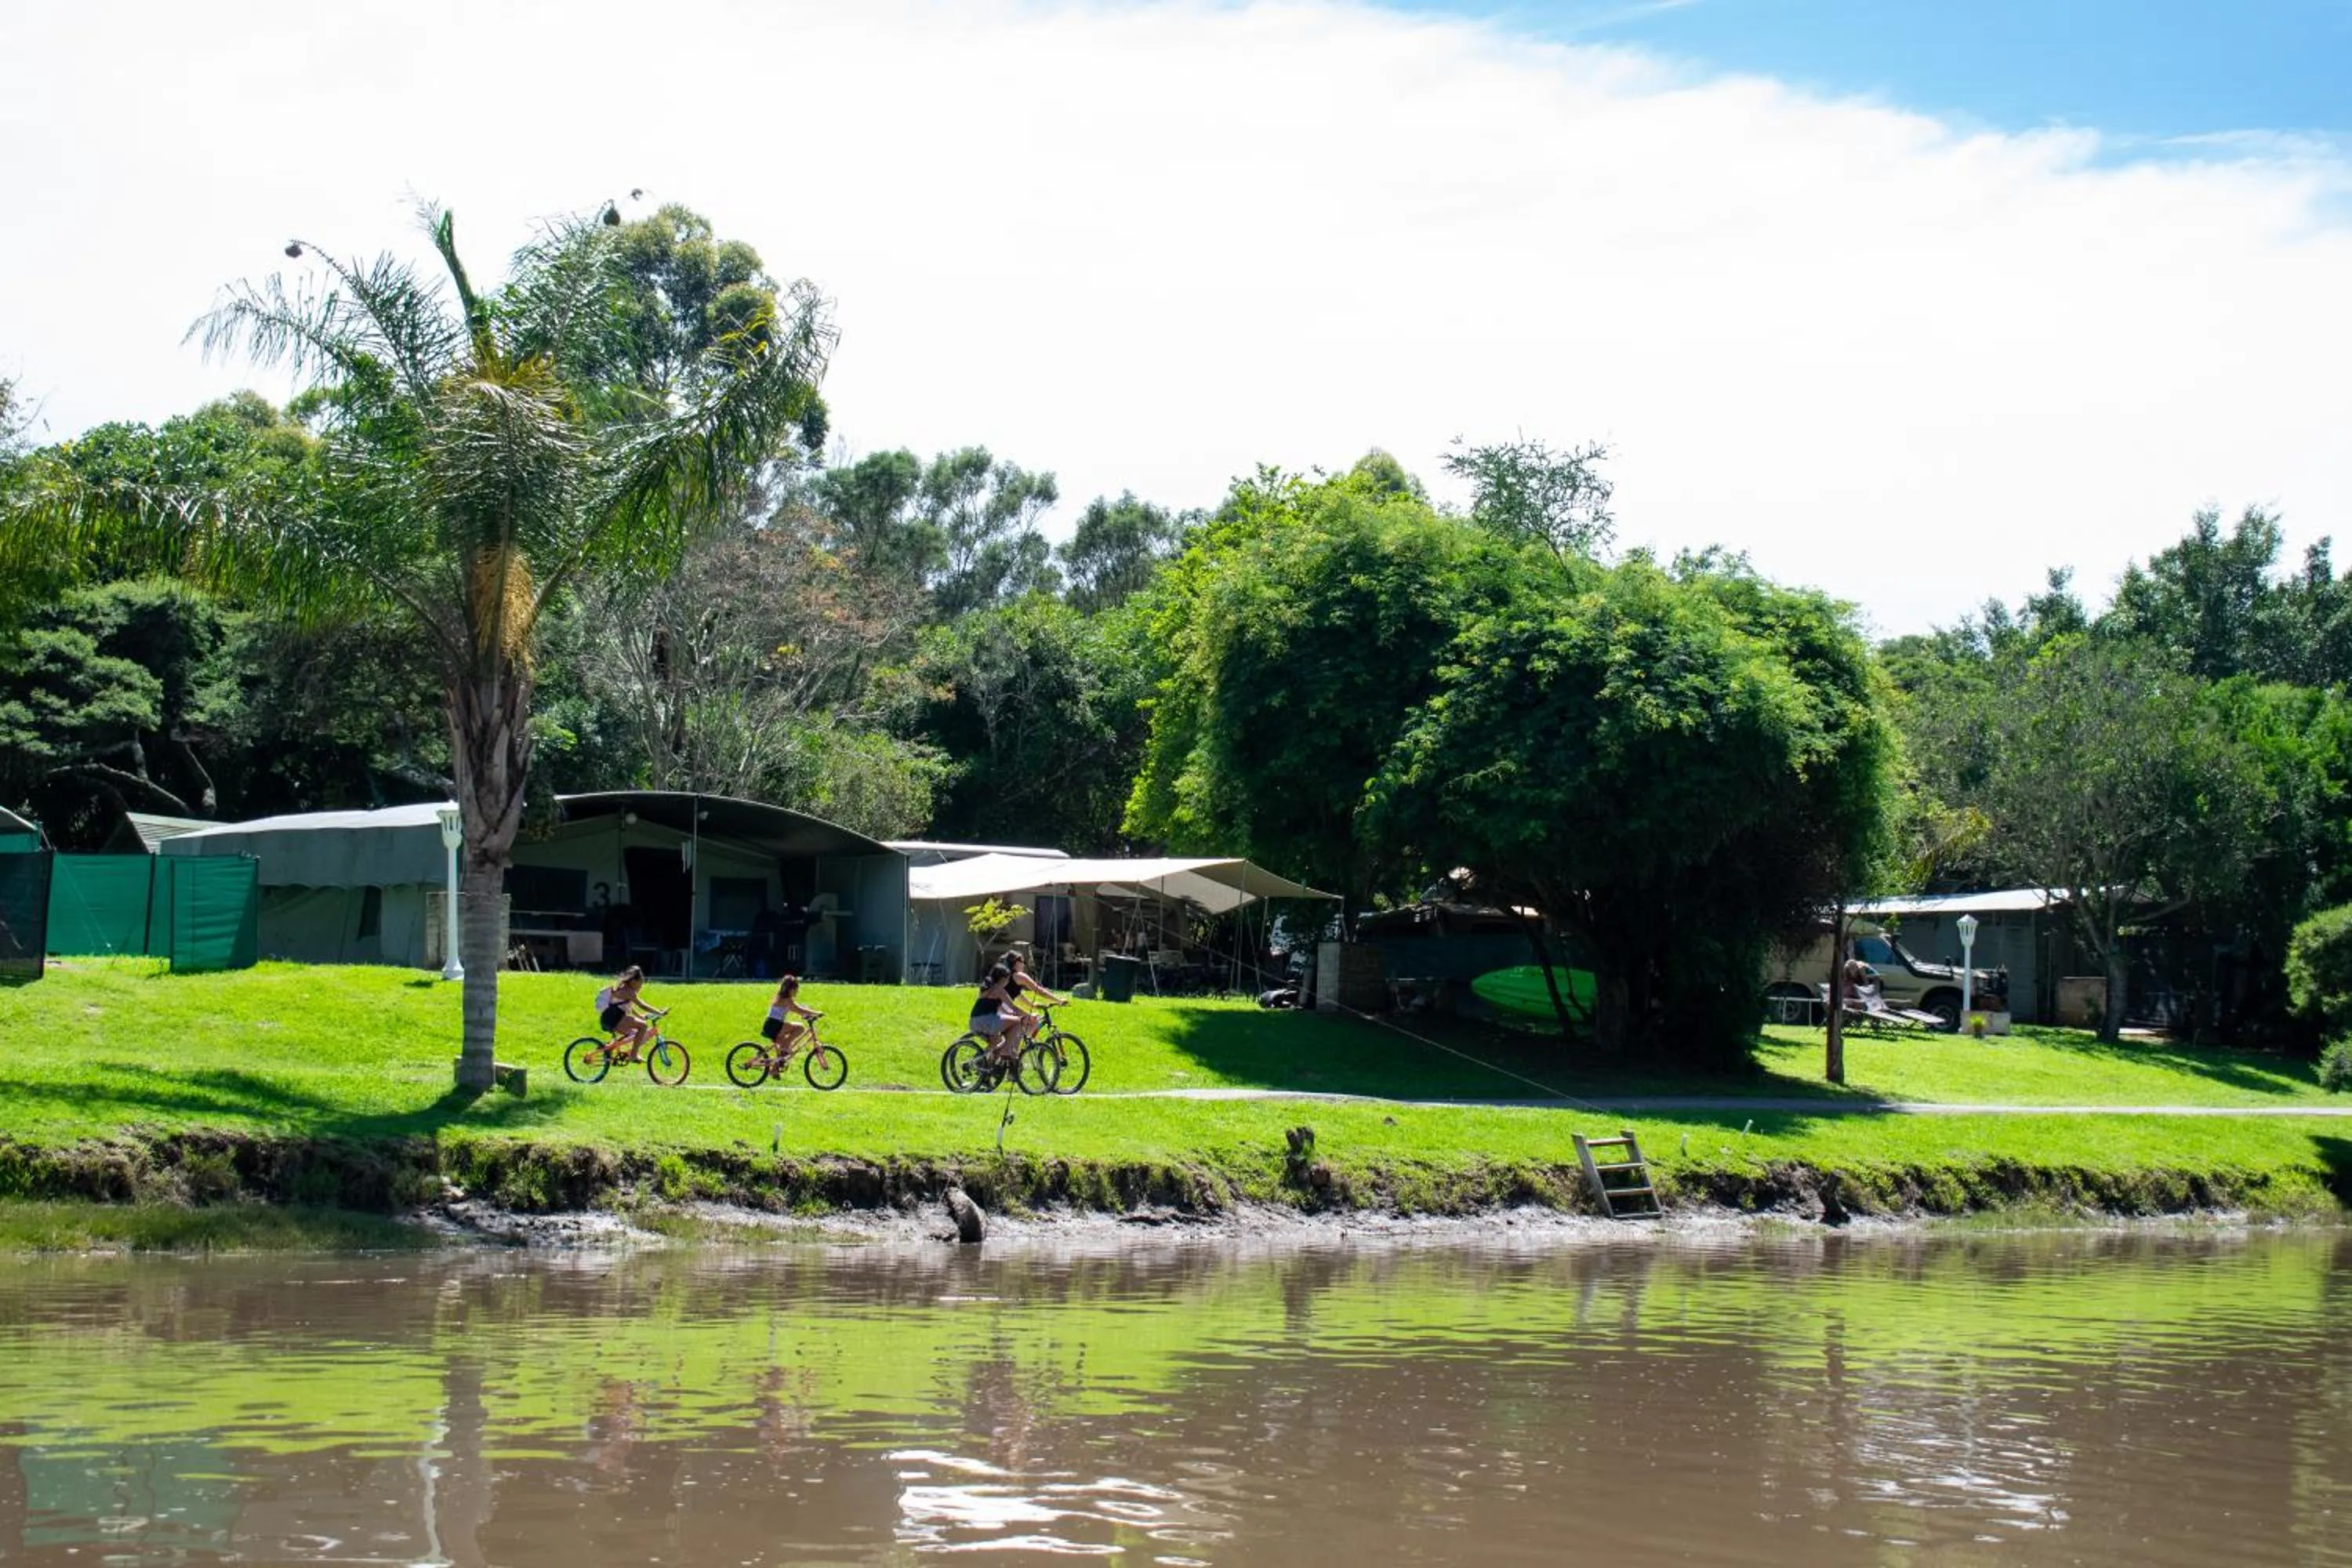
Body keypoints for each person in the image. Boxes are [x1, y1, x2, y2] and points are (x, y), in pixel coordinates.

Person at [995, 950, 1068, 1059]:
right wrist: (1058, 1000)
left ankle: (1013, 1050)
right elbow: (1038, 990)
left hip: (997, 1006)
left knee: (1031, 1020)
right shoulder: (1019, 976)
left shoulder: (1009, 975)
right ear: (1016, 962)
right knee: (1031, 1020)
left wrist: (1032, 1005)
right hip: (1001, 1006)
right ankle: (1013, 1052)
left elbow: (1018, 995)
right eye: (1022, 962)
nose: (1024, 964)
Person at [594, 964, 655, 1059]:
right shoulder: (629, 992)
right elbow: (642, 1005)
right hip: (615, 1018)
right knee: (643, 1027)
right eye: (640, 983)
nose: (641, 986)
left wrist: (641, 1017)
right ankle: (633, 1055)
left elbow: (629, 1008)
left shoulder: (623, 988)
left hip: (609, 1018)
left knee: (637, 1034)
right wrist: (659, 1012)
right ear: (633, 981)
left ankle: (609, 1048)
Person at [760, 973, 822, 1058]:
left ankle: (775, 1068)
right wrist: (816, 1013)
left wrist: (806, 1014)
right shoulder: (787, 1000)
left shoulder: (781, 998)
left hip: (771, 1026)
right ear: (791, 990)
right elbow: (800, 1010)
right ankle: (785, 1047)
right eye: (796, 989)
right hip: (774, 1025)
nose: (797, 991)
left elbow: (798, 1009)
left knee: (782, 1056)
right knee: (800, 1028)